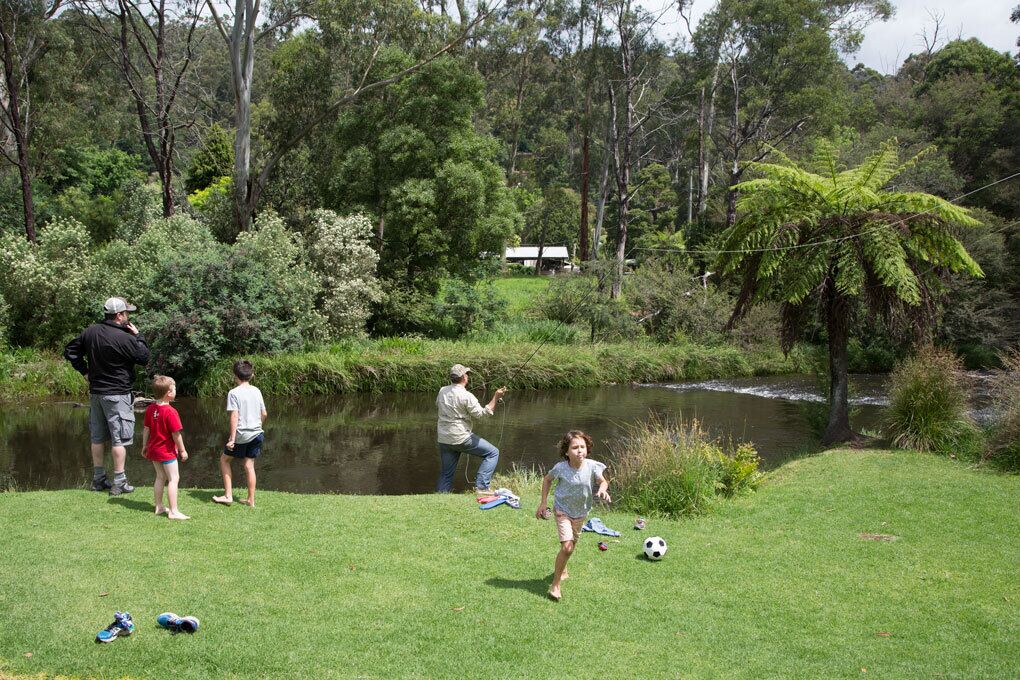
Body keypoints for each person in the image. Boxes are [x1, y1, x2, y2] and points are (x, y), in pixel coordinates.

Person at [63, 296, 150, 495]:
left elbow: (70, 350)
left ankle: (98, 479)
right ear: (119, 315)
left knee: (98, 437)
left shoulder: (90, 332)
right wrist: (139, 336)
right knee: (119, 439)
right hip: (118, 394)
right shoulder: (126, 338)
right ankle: (119, 482)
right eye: (127, 313)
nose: (128, 316)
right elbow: (144, 357)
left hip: (96, 393)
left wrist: (84, 371)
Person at [535, 430, 610, 602]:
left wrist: (602, 490)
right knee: (567, 547)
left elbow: (603, 481)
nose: (579, 450)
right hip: (562, 511)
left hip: (581, 513)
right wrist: (543, 502)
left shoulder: (592, 466)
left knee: (571, 545)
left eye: (582, 447)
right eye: (575, 447)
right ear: (566, 451)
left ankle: (563, 567)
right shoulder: (561, 468)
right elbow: (547, 480)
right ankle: (555, 585)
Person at [435, 363, 506, 494]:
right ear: (464, 377)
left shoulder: (442, 391)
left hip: (444, 438)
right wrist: (496, 397)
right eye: (467, 374)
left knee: (446, 473)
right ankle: (482, 487)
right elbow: (482, 415)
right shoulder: (467, 396)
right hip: (461, 437)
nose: (468, 376)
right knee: (493, 453)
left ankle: (441, 496)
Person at [213, 360, 267, 508]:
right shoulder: (257, 391)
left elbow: (234, 416)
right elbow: (264, 413)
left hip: (242, 434)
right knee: (249, 465)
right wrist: (258, 426)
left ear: (235, 376)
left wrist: (232, 438)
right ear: (252, 375)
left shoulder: (233, 393)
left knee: (224, 460)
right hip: (257, 433)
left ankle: (228, 496)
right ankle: (251, 500)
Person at [140, 375, 189, 520]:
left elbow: (146, 428)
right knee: (174, 479)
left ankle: (159, 506)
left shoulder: (150, 409)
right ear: (168, 393)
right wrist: (182, 450)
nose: (175, 391)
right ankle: (173, 511)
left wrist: (144, 445)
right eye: (174, 389)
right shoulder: (171, 412)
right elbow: (176, 434)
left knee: (160, 477)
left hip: (154, 450)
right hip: (166, 452)